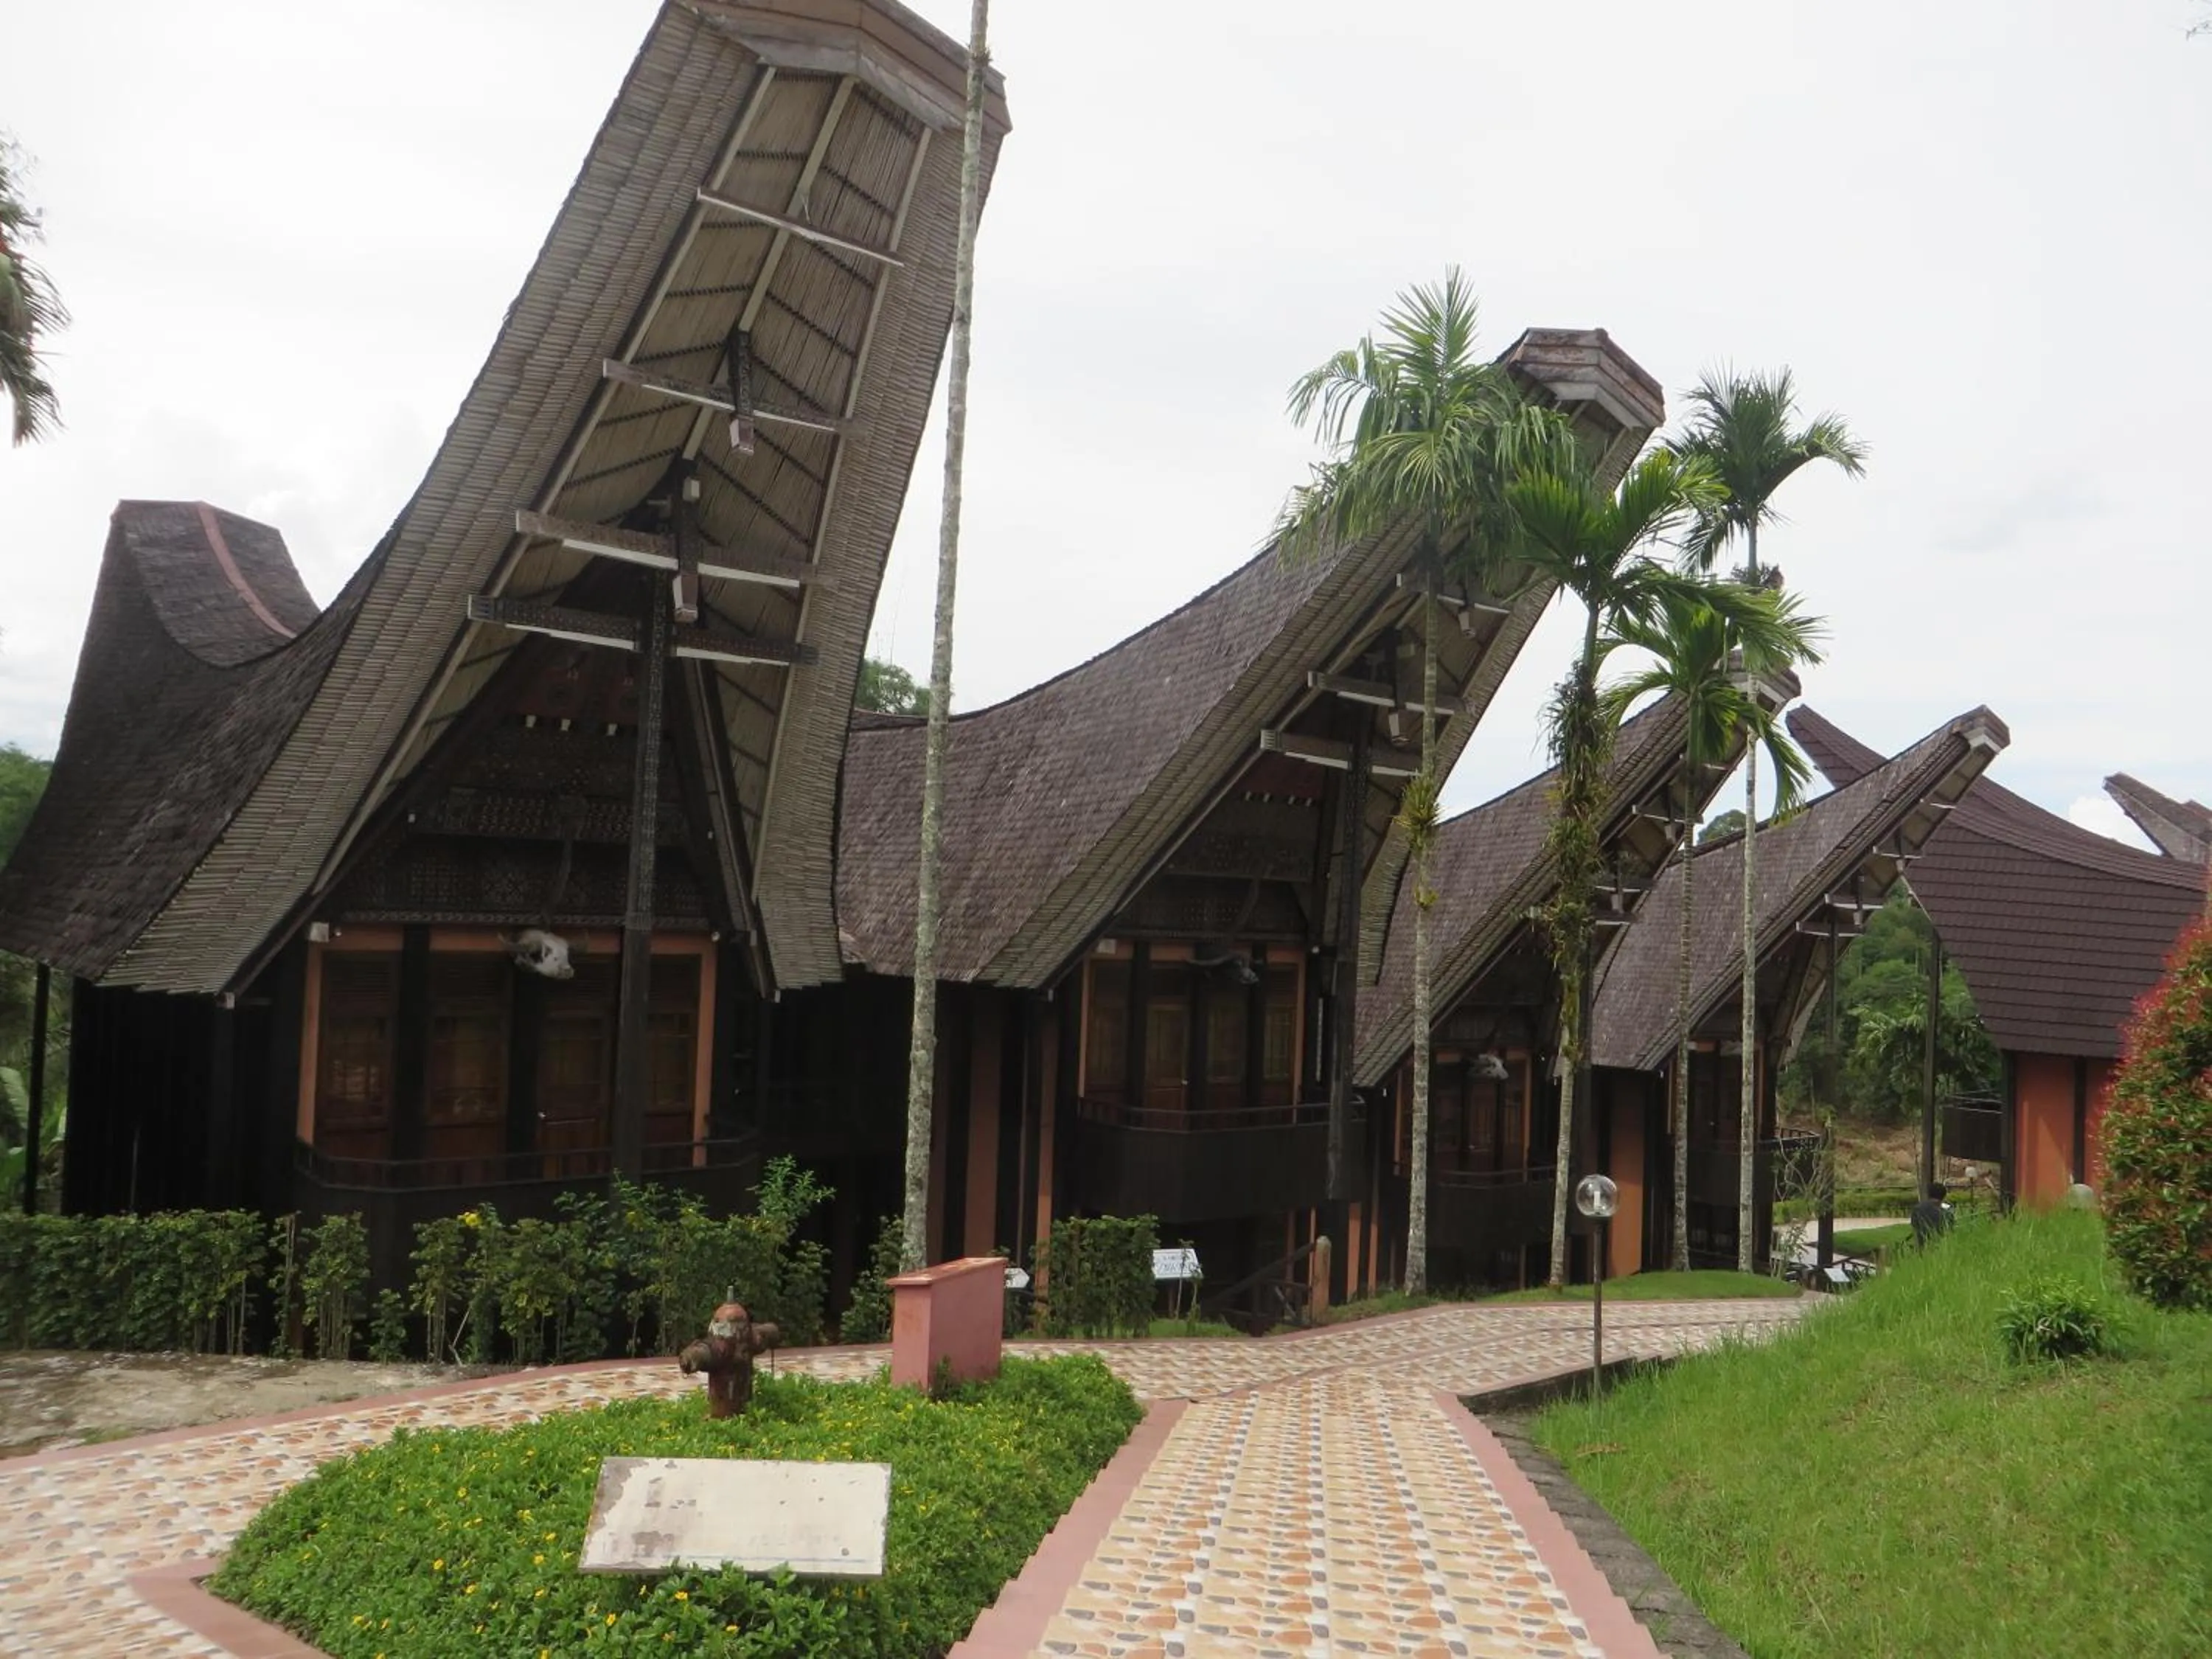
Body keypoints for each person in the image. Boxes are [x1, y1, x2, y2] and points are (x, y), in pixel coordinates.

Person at [1910, 1181, 1953, 1248]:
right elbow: (1950, 1230)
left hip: (1921, 1247)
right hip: (1941, 1247)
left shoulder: (1917, 1209)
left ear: (1929, 1194)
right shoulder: (1947, 1211)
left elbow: (1915, 1227)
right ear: (1944, 1196)